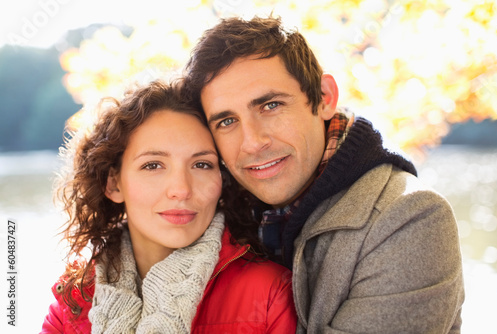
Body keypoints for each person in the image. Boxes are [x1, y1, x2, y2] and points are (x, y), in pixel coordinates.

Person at [183, 16, 465, 333]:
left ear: (325, 98)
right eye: (226, 122)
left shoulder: (408, 218)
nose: (252, 143)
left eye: (271, 105)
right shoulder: (203, 211)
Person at [40, 80, 297, 333]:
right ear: (113, 184)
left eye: (202, 164)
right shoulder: (72, 304)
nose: (181, 190)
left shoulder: (269, 294)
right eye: (153, 165)